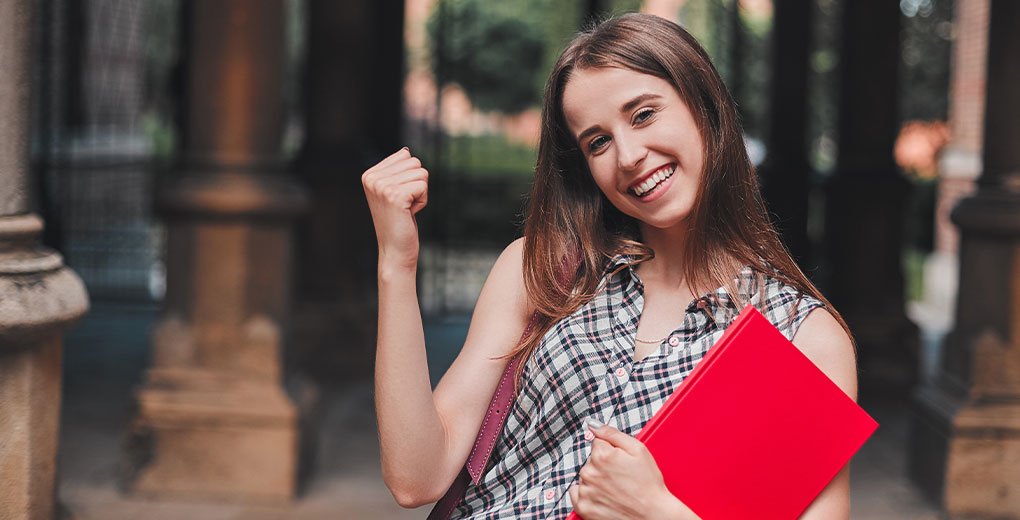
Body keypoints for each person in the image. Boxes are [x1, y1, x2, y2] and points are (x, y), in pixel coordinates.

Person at [362, 12, 857, 520]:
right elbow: (414, 476)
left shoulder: (800, 340)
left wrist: (655, 511)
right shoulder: (544, 271)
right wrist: (396, 266)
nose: (628, 155)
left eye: (643, 114)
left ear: (704, 105)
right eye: (597, 141)